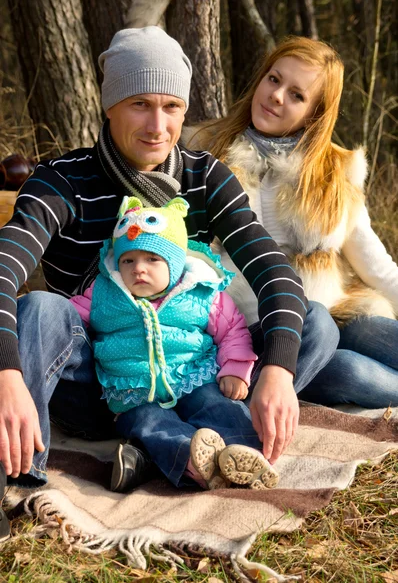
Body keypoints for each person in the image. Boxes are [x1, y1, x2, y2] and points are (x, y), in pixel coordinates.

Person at [0, 27, 339, 535]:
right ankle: (21, 477)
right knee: (40, 308)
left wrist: (278, 373)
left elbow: (273, 269)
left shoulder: (206, 178)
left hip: (196, 372)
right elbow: (6, 263)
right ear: (110, 104)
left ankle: (179, 443)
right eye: (139, 103)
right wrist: (6, 373)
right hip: (101, 379)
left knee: (315, 325)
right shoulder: (62, 179)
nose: (158, 126)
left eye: (171, 106)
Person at [186, 35, 398, 408]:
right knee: (351, 371)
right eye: (273, 79)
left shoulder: (335, 173)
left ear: (315, 114)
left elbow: (378, 268)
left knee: (380, 334)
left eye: (297, 95)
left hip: (334, 317)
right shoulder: (207, 154)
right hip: (253, 330)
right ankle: (251, 399)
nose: (276, 95)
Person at [70, 195, 280, 491]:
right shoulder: (104, 294)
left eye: (152, 259)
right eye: (128, 260)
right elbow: (68, 320)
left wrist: (234, 368)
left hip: (194, 377)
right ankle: (196, 463)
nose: (138, 269)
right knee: (151, 426)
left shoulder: (199, 292)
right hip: (133, 393)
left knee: (218, 406)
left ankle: (245, 454)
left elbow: (232, 329)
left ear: (175, 262)